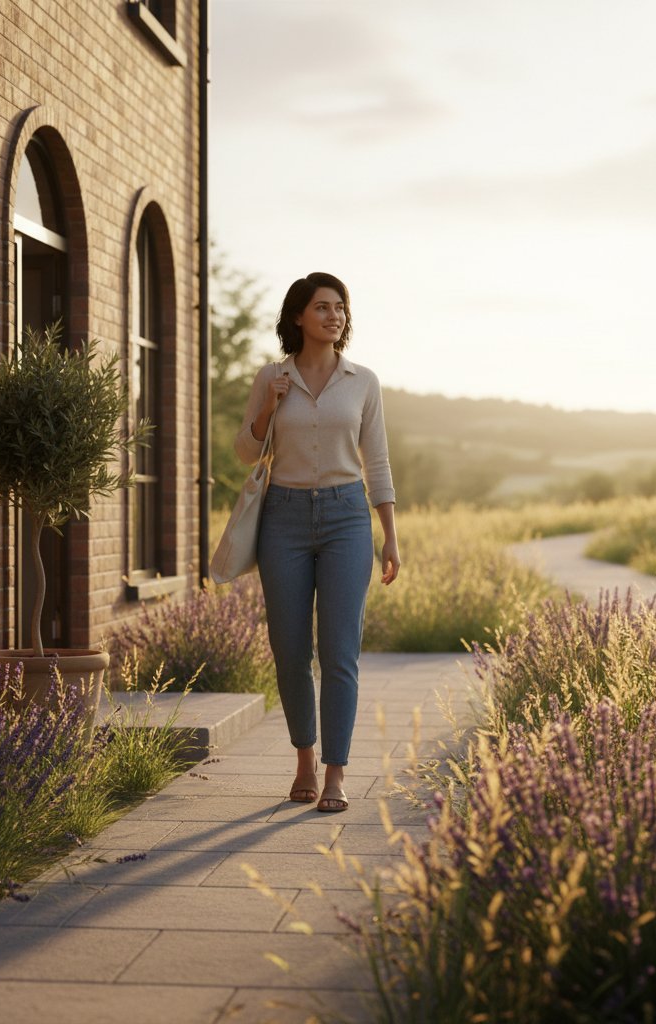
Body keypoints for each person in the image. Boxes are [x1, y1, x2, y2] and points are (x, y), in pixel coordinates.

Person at [234, 272, 400, 813]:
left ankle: (335, 772)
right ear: (299, 316)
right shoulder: (272, 376)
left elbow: (377, 462)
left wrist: (389, 536)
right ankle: (303, 759)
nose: (334, 316)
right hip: (281, 518)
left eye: (340, 308)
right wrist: (268, 406)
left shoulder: (363, 381)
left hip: (346, 518)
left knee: (339, 652)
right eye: (323, 307)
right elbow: (243, 450)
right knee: (288, 649)